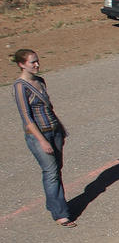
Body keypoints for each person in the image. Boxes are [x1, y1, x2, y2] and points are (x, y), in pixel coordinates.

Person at [12, 49, 74, 227]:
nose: (37, 65)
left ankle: (54, 204)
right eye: (32, 62)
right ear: (21, 65)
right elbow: (27, 118)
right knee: (51, 172)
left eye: (37, 61)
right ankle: (61, 214)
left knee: (57, 169)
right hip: (39, 135)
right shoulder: (20, 87)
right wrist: (42, 140)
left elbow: (49, 108)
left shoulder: (40, 81)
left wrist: (60, 129)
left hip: (54, 130)